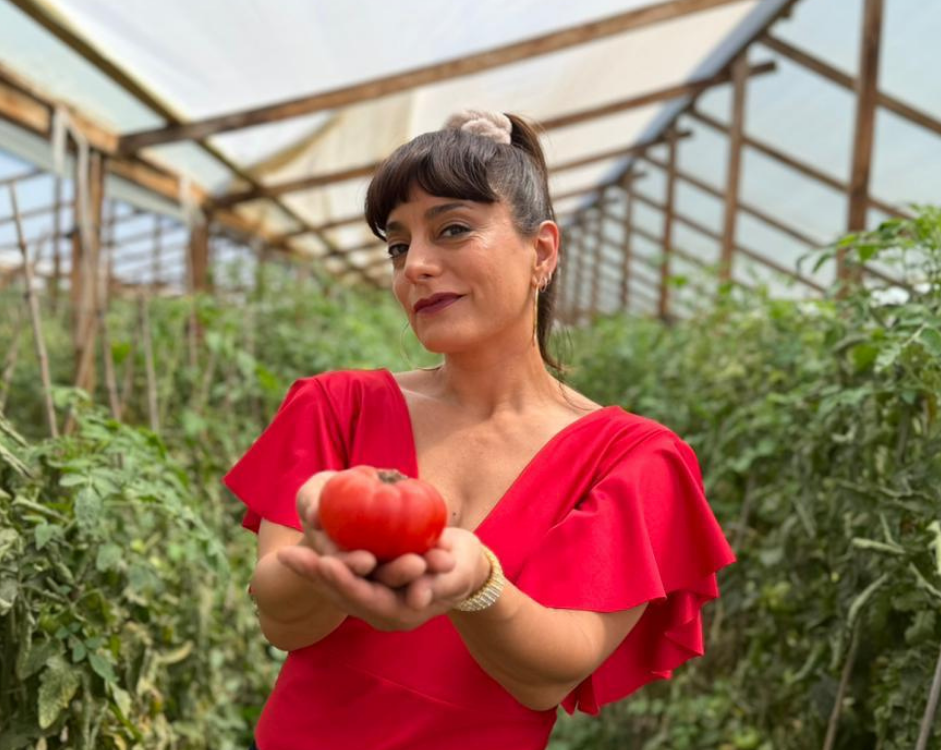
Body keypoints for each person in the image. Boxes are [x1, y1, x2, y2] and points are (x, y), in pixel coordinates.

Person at [223, 109, 736, 750]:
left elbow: (547, 676)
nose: (415, 267)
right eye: (398, 245)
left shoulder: (633, 460)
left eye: (454, 230)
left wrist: (479, 583)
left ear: (541, 250)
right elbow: (283, 622)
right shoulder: (335, 406)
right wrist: (322, 560)